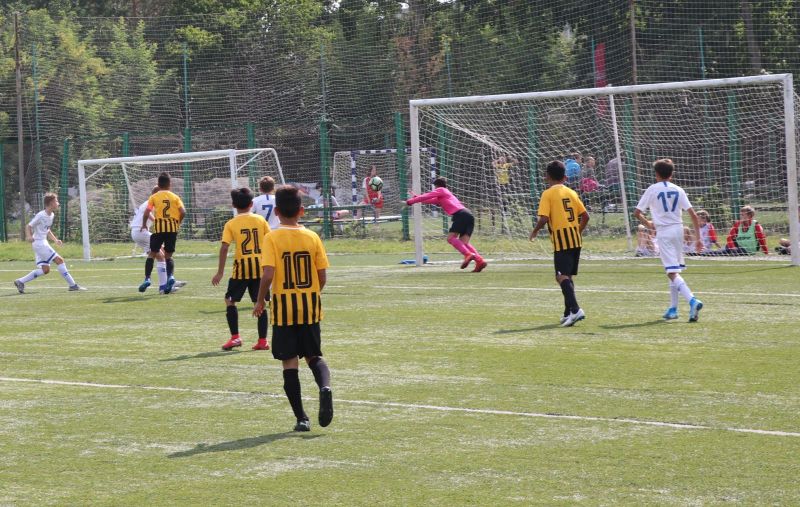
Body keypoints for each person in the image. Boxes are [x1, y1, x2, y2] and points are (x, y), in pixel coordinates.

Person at [253, 185, 333, 432]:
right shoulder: (312, 237)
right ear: (302, 210)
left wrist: (259, 300)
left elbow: (268, 274)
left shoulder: (272, 237)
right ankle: (325, 387)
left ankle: (302, 418)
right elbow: (322, 275)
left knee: (289, 362)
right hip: (309, 307)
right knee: (313, 356)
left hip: (284, 310)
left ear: (276, 211)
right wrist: (312, 294)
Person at [634, 158, 704, 322]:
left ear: (656, 174)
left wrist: (648, 223)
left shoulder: (652, 189)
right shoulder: (678, 189)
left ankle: (692, 300)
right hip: (679, 230)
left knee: (671, 272)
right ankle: (673, 309)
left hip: (664, 231)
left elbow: (637, 212)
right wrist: (698, 239)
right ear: (671, 174)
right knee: (673, 270)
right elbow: (693, 215)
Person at [529, 160, 590, 327]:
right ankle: (567, 312)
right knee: (567, 277)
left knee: (561, 276)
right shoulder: (571, 192)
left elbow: (544, 218)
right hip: (575, 240)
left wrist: (534, 231)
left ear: (547, 176)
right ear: (565, 177)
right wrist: (577, 231)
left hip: (561, 241)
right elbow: (586, 217)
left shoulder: (548, 194)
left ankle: (576, 310)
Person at [212, 187, 272, 351]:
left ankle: (235, 337)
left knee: (230, 300)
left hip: (241, 269)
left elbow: (225, 247)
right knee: (260, 302)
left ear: (233, 205)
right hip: (260, 268)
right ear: (252, 204)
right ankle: (262, 341)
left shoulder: (231, 224)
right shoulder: (260, 220)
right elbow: (270, 241)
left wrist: (220, 272)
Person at [405, 177, 487, 272]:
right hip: (468, 215)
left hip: (460, 215)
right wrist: (416, 198)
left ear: (436, 186)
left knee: (451, 238)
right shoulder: (444, 195)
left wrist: (409, 202)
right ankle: (480, 261)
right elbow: (426, 200)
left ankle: (468, 254)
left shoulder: (441, 190)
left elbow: (427, 196)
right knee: (464, 242)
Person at [13, 193, 86, 293]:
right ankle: (73, 285)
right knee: (59, 260)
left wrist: (55, 240)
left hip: (43, 243)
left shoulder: (51, 215)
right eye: (56, 201)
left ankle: (20, 281)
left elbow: (47, 230)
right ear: (51, 203)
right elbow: (28, 226)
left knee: (45, 270)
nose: (58, 203)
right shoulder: (41, 215)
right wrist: (29, 236)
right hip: (39, 243)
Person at [133, 186, 186, 294]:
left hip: (136, 233)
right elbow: (147, 213)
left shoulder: (148, 202)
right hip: (141, 232)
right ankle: (163, 287)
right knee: (162, 256)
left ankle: (169, 281)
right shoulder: (152, 201)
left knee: (162, 252)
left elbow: (148, 214)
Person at [702, 205, 769, 256]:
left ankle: (705, 252)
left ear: (750, 215)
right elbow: (729, 237)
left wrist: (766, 252)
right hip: (736, 248)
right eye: (740, 215)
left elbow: (761, 240)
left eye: (743, 215)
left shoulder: (756, 226)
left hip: (748, 251)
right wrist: (733, 247)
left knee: (725, 251)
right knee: (722, 251)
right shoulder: (738, 224)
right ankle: (703, 252)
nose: (741, 216)